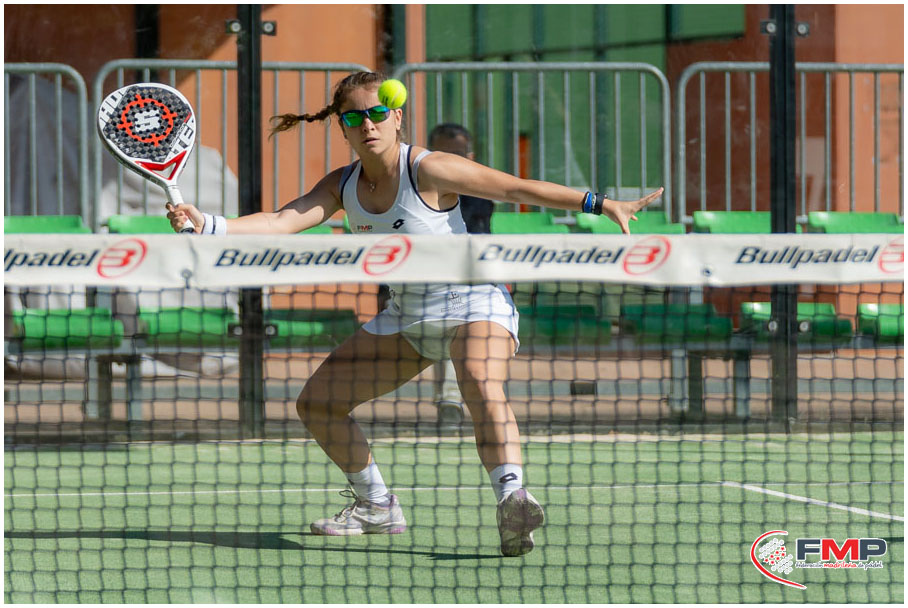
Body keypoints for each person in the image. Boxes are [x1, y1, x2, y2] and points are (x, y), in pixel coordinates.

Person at [167, 71, 663, 557]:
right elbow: (281, 221)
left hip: (474, 302)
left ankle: (513, 499)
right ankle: (376, 506)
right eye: (355, 117)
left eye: (378, 112)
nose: (368, 123)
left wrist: (600, 203)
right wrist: (207, 223)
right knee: (317, 403)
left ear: (397, 117)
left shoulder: (428, 168)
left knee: (477, 379)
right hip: (408, 316)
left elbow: (513, 188)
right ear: (342, 127)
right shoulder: (342, 184)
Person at [426, 123, 494, 427]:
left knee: (466, 337)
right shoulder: (416, 189)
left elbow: (480, 239)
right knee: (446, 337)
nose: (452, 161)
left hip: (472, 280)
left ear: (470, 156)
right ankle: (449, 399)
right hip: (427, 281)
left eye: (459, 154)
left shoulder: (481, 196)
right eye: (444, 153)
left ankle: (452, 399)